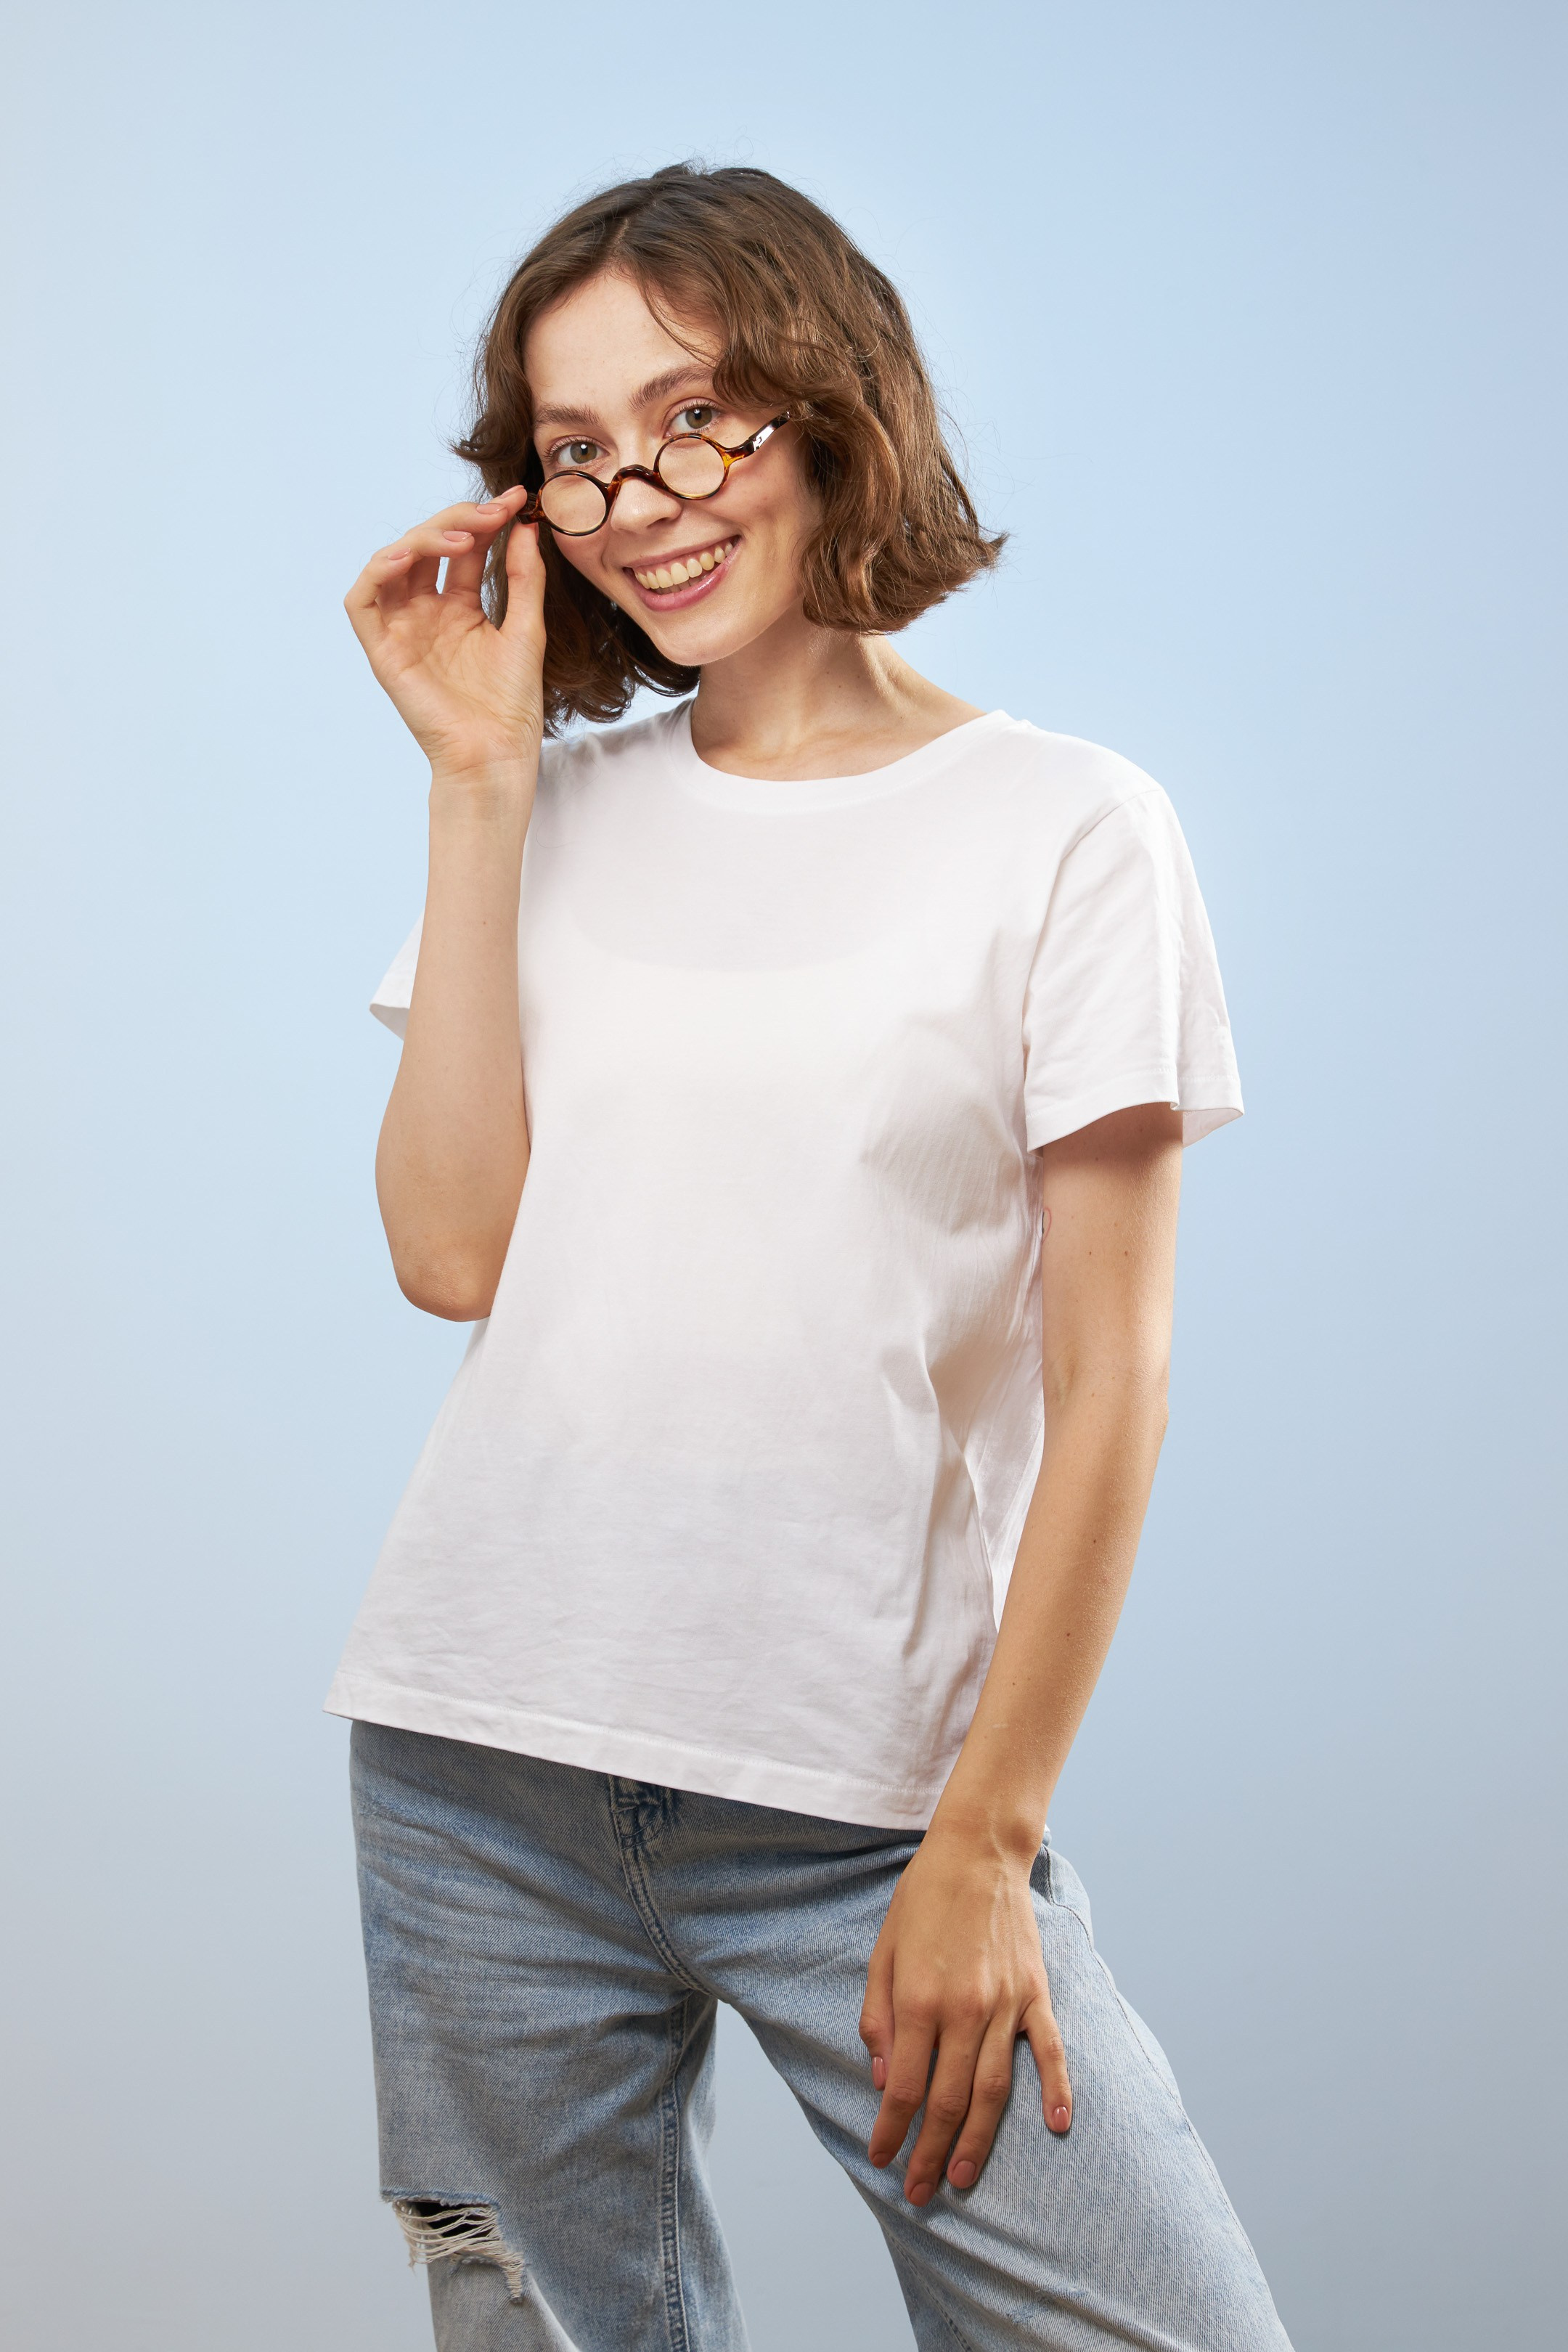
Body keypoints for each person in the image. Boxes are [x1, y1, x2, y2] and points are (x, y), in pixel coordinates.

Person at [335, 162, 1291, 2352]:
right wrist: (478, 784)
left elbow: (1117, 1376)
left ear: (836, 407)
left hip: (870, 1810)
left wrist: (987, 1844)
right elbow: (448, 1251)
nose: (643, 497)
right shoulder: (550, 818)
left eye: (700, 419)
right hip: (477, 1771)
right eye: (576, 454)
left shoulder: (1071, 826)